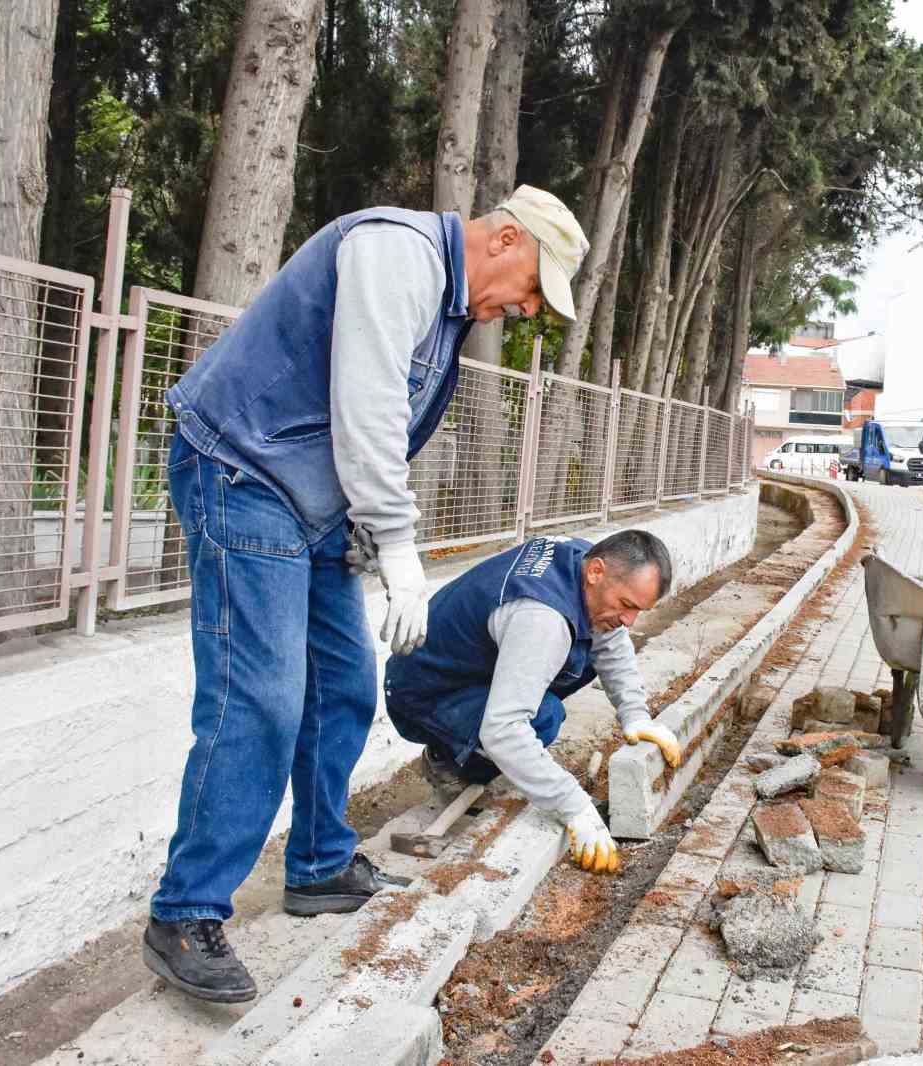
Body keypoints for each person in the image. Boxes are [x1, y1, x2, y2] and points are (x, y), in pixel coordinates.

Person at [141, 186, 590, 1004]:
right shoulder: (398, 253)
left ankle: (318, 866)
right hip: (246, 471)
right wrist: (398, 547)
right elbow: (369, 406)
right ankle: (185, 912)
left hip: (314, 506)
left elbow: (380, 426)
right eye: (530, 287)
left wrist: (365, 534)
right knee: (262, 698)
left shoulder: (449, 306)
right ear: (506, 238)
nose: (523, 308)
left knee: (345, 688)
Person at [384, 530, 681, 876]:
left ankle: (486, 756)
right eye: (627, 605)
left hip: (465, 668)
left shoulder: (584, 564)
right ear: (596, 572)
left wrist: (635, 716)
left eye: (639, 610)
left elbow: (610, 642)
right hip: (425, 688)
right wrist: (575, 807)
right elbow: (504, 729)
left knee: (567, 670)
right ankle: (449, 763)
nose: (629, 621)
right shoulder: (543, 618)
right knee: (541, 718)